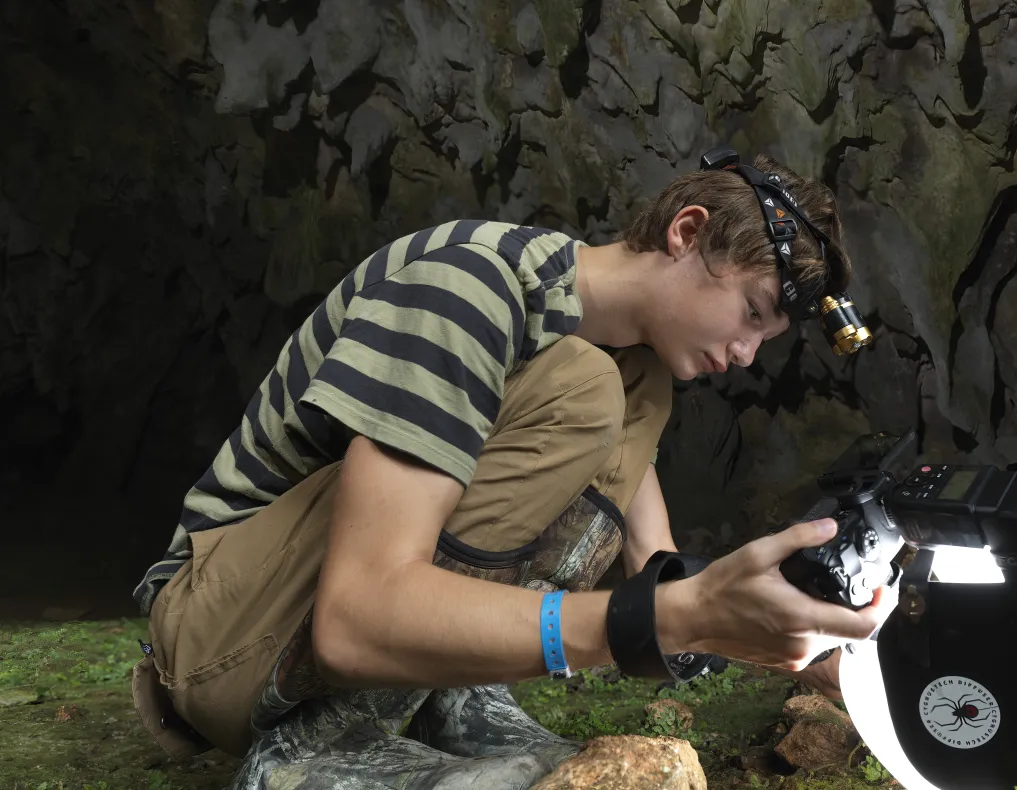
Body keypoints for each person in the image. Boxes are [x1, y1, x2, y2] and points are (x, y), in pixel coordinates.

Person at [128, 148, 898, 789]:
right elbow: (351, 620)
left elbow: (660, 576)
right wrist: (658, 622)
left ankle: (454, 696)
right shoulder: (466, 290)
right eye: (752, 313)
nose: (745, 354)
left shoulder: (624, 361)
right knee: (584, 388)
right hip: (223, 638)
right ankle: (312, 752)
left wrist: (797, 638)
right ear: (686, 232)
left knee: (626, 385)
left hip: (312, 617)